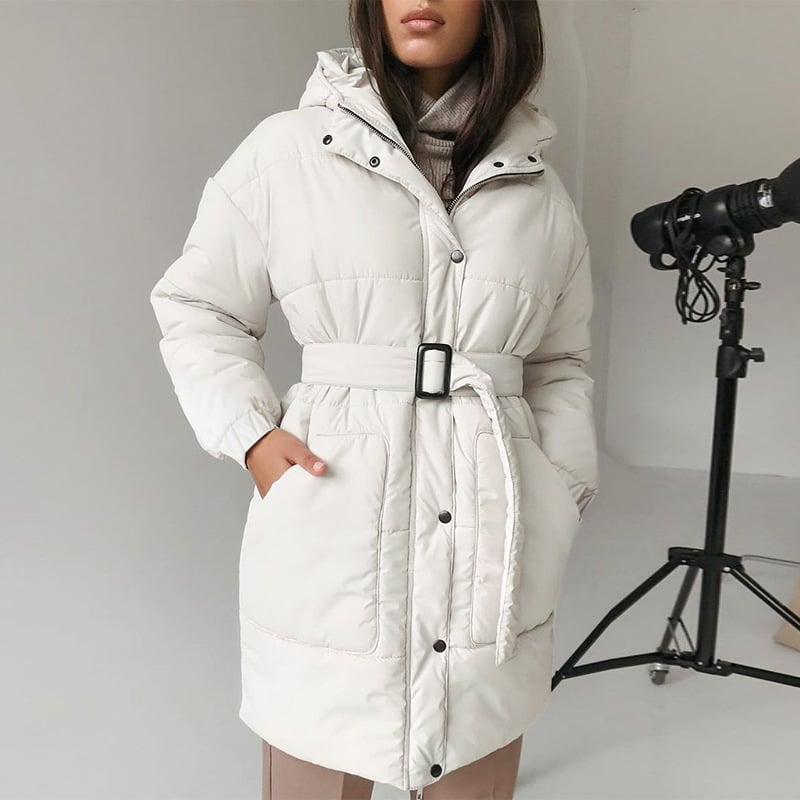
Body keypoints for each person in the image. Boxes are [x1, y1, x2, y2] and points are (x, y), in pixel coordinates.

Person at [149, 0, 599, 797]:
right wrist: (252, 436)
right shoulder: (287, 152)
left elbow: (559, 361)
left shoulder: (540, 189)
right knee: (320, 750)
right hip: (336, 517)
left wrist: (557, 484)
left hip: (491, 534)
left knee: (476, 749)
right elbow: (199, 305)